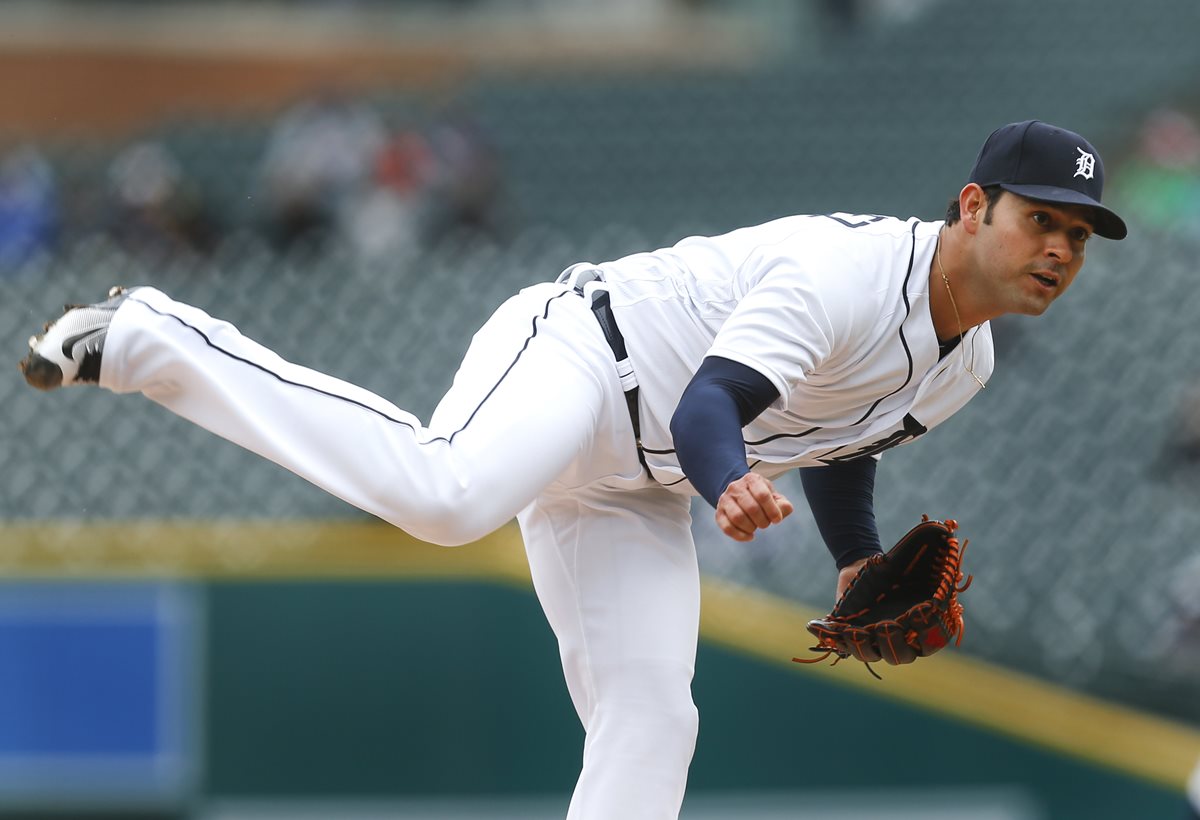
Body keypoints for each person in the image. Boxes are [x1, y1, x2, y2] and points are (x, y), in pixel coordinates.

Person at [17, 120, 1126, 820]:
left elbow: (845, 441)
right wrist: (729, 482)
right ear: (972, 207)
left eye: (1078, 238)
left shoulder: (968, 362)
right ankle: (157, 334)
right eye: (1042, 221)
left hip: (638, 484)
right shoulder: (847, 272)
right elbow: (709, 405)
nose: (1059, 251)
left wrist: (855, 557)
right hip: (585, 359)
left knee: (655, 719)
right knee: (448, 496)